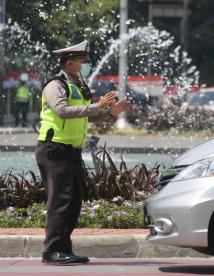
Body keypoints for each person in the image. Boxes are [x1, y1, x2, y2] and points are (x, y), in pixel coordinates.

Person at [35, 40, 129, 265]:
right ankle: (52, 251)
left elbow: (86, 115)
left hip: (71, 151)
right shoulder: (55, 85)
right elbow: (62, 111)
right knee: (60, 201)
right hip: (54, 149)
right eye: (81, 61)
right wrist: (97, 106)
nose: (85, 64)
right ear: (69, 63)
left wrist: (110, 113)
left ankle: (64, 249)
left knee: (74, 200)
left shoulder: (77, 84)